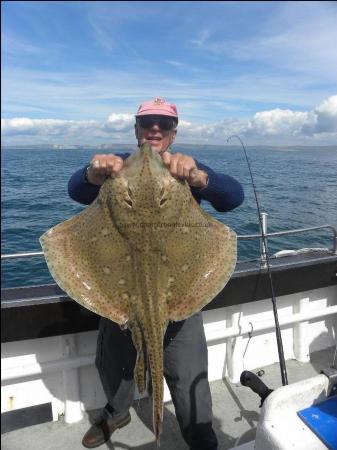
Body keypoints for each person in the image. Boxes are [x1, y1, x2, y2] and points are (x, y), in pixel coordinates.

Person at [68, 97, 244, 449]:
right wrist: (92, 174)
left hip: (178, 293)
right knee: (114, 365)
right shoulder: (116, 165)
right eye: (147, 122)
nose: (154, 129)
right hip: (121, 292)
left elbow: (233, 197)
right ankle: (117, 413)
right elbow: (76, 190)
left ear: (173, 134)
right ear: (136, 129)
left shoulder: (184, 167)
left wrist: (198, 177)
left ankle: (199, 433)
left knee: (188, 372)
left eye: (163, 124)